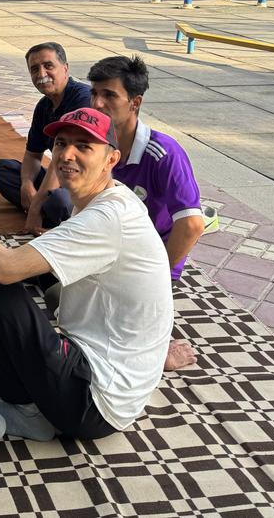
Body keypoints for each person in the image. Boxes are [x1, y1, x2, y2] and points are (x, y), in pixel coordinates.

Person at [0, 107, 173, 456]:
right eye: (62, 143)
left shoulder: (108, 217)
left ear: (111, 159)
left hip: (94, 399)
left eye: (84, 146)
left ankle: (20, 409)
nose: (67, 155)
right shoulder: (105, 199)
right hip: (98, 378)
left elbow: (3, 268)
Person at [87, 56, 204, 372]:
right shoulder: (98, 144)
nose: (97, 103)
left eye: (109, 95)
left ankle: (156, 338)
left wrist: (155, 274)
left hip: (148, 257)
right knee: (61, 297)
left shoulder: (163, 153)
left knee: (118, 336)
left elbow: (192, 225)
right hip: (112, 248)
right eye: (94, 93)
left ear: (135, 103)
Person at [0, 42, 90, 236]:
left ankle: (50, 212)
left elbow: (65, 157)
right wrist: (27, 185)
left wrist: (36, 205)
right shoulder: (43, 107)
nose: (41, 74)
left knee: (59, 201)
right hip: (60, 176)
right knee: (3, 170)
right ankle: (52, 213)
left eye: (48, 66)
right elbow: (32, 154)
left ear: (65, 68)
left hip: (86, 181)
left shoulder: (83, 99)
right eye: (34, 69)